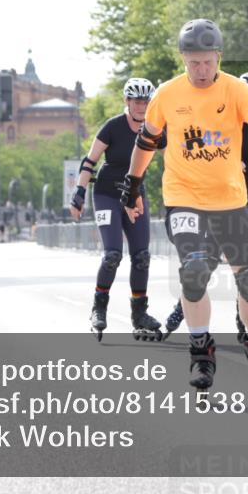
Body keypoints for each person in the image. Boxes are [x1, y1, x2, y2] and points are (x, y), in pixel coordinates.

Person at [121, 18, 248, 393]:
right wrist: (133, 186)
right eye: (193, 63)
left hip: (230, 202)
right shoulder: (168, 95)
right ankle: (202, 355)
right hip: (183, 198)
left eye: (207, 62)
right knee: (194, 271)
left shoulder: (236, 90)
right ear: (183, 59)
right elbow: (147, 141)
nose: (201, 70)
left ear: (218, 57)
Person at [163, 70, 248, 340]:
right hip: (221, 200)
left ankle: (244, 320)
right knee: (207, 260)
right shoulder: (226, 119)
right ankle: (183, 308)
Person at [70, 77, 166, 341]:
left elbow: (179, 153)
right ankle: (99, 308)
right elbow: (89, 161)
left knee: (142, 256)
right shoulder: (113, 126)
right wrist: (78, 193)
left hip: (135, 195)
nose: (142, 106)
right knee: (113, 254)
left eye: (146, 101)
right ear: (127, 101)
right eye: (137, 101)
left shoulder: (155, 127)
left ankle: (139, 314)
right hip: (107, 194)